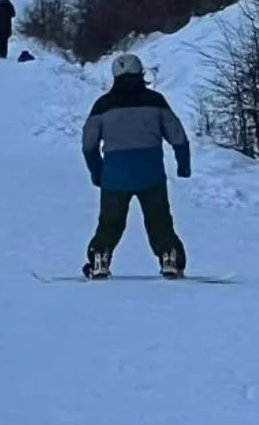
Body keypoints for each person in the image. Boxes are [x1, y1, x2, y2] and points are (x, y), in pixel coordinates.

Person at [81, 53, 190, 278]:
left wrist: (97, 172)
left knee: (110, 221)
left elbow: (89, 145)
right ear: (141, 73)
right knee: (159, 219)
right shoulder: (156, 101)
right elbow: (178, 136)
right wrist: (183, 165)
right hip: (150, 173)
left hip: (115, 175)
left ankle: (100, 257)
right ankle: (169, 256)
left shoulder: (102, 106)